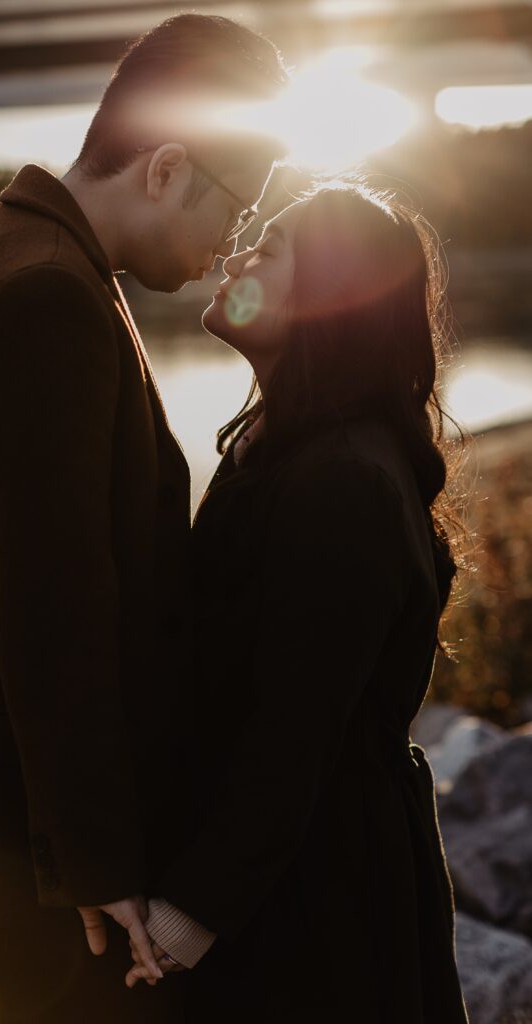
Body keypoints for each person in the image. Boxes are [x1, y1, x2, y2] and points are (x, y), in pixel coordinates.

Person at [0, 14, 287, 1024]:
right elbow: (52, 609)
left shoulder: (27, 255)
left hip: (15, 857)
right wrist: (99, 860)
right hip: (23, 879)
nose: (231, 245)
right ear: (167, 166)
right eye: (232, 214)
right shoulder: (45, 296)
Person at [126, 182, 472, 1023]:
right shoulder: (278, 449)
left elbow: (294, 736)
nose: (235, 255)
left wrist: (182, 922)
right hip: (285, 881)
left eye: (269, 249)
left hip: (321, 900)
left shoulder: (343, 482)